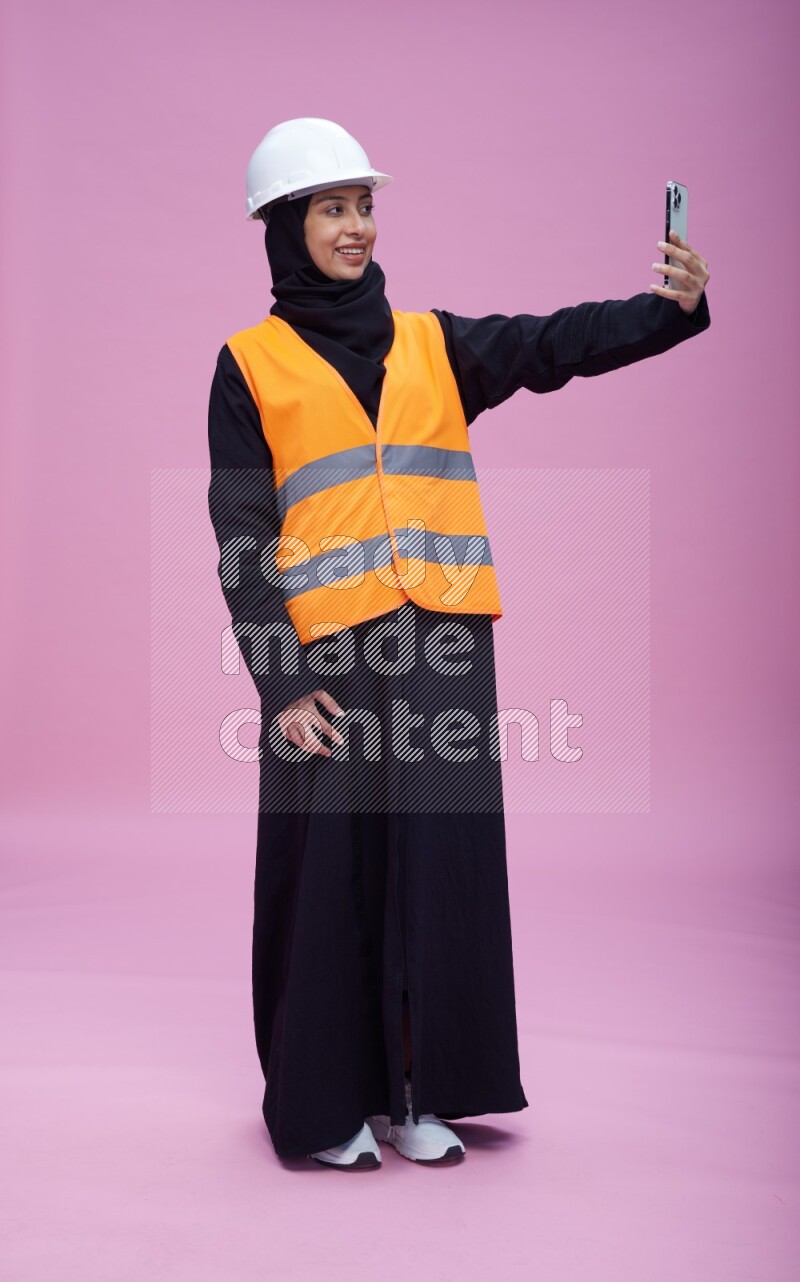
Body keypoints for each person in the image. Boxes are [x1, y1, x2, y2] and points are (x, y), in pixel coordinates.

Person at [207, 118, 711, 1170]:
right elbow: (244, 538)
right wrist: (282, 681)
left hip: (442, 646)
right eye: (329, 208)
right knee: (332, 875)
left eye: (362, 205)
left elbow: (552, 343)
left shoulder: (435, 343)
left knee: (441, 870)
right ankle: (329, 1104)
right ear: (281, 227)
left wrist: (667, 312)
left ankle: (424, 1092)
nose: (353, 227)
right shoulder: (247, 367)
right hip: (329, 667)